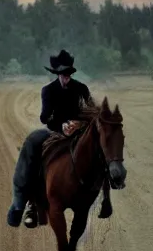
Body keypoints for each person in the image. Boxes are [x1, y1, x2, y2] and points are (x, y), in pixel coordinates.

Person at [7, 49, 102, 228]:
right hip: (55, 132)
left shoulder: (82, 88)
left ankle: (107, 189)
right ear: (57, 74)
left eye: (68, 74)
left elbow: (92, 113)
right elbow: (44, 118)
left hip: (80, 132)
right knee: (33, 144)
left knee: (102, 148)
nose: (66, 77)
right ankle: (24, 205)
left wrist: (79, 124)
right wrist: (62, 125)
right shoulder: (48, 91)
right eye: (63, 74)